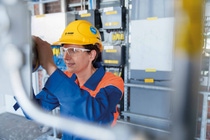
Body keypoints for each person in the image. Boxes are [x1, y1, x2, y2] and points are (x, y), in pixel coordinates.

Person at [31, 20, 124, 140]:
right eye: (64, 50)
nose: (65, 57)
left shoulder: (113, 83)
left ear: (92, 55)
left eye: (73, 50)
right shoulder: (66, 79)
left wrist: (49, 66)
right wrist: (21, 71)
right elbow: (34, 110)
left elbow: (92, 114)